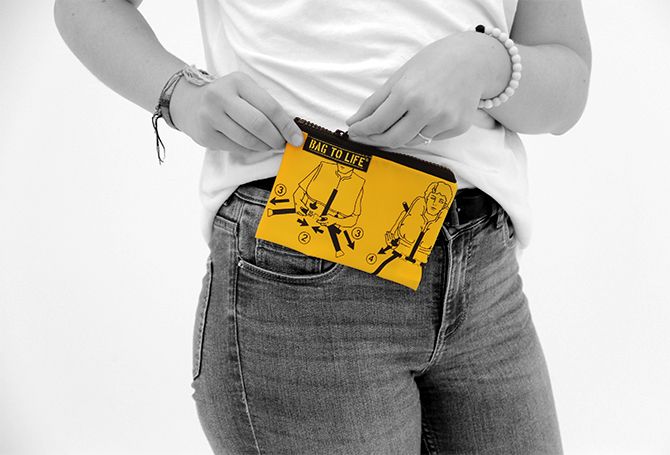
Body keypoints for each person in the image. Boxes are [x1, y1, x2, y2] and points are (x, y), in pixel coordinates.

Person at [54, 0, 591, 453]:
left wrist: (489, 61)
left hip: (485, 272)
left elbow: (567, 88)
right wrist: (181, 94)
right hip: (301, 271)